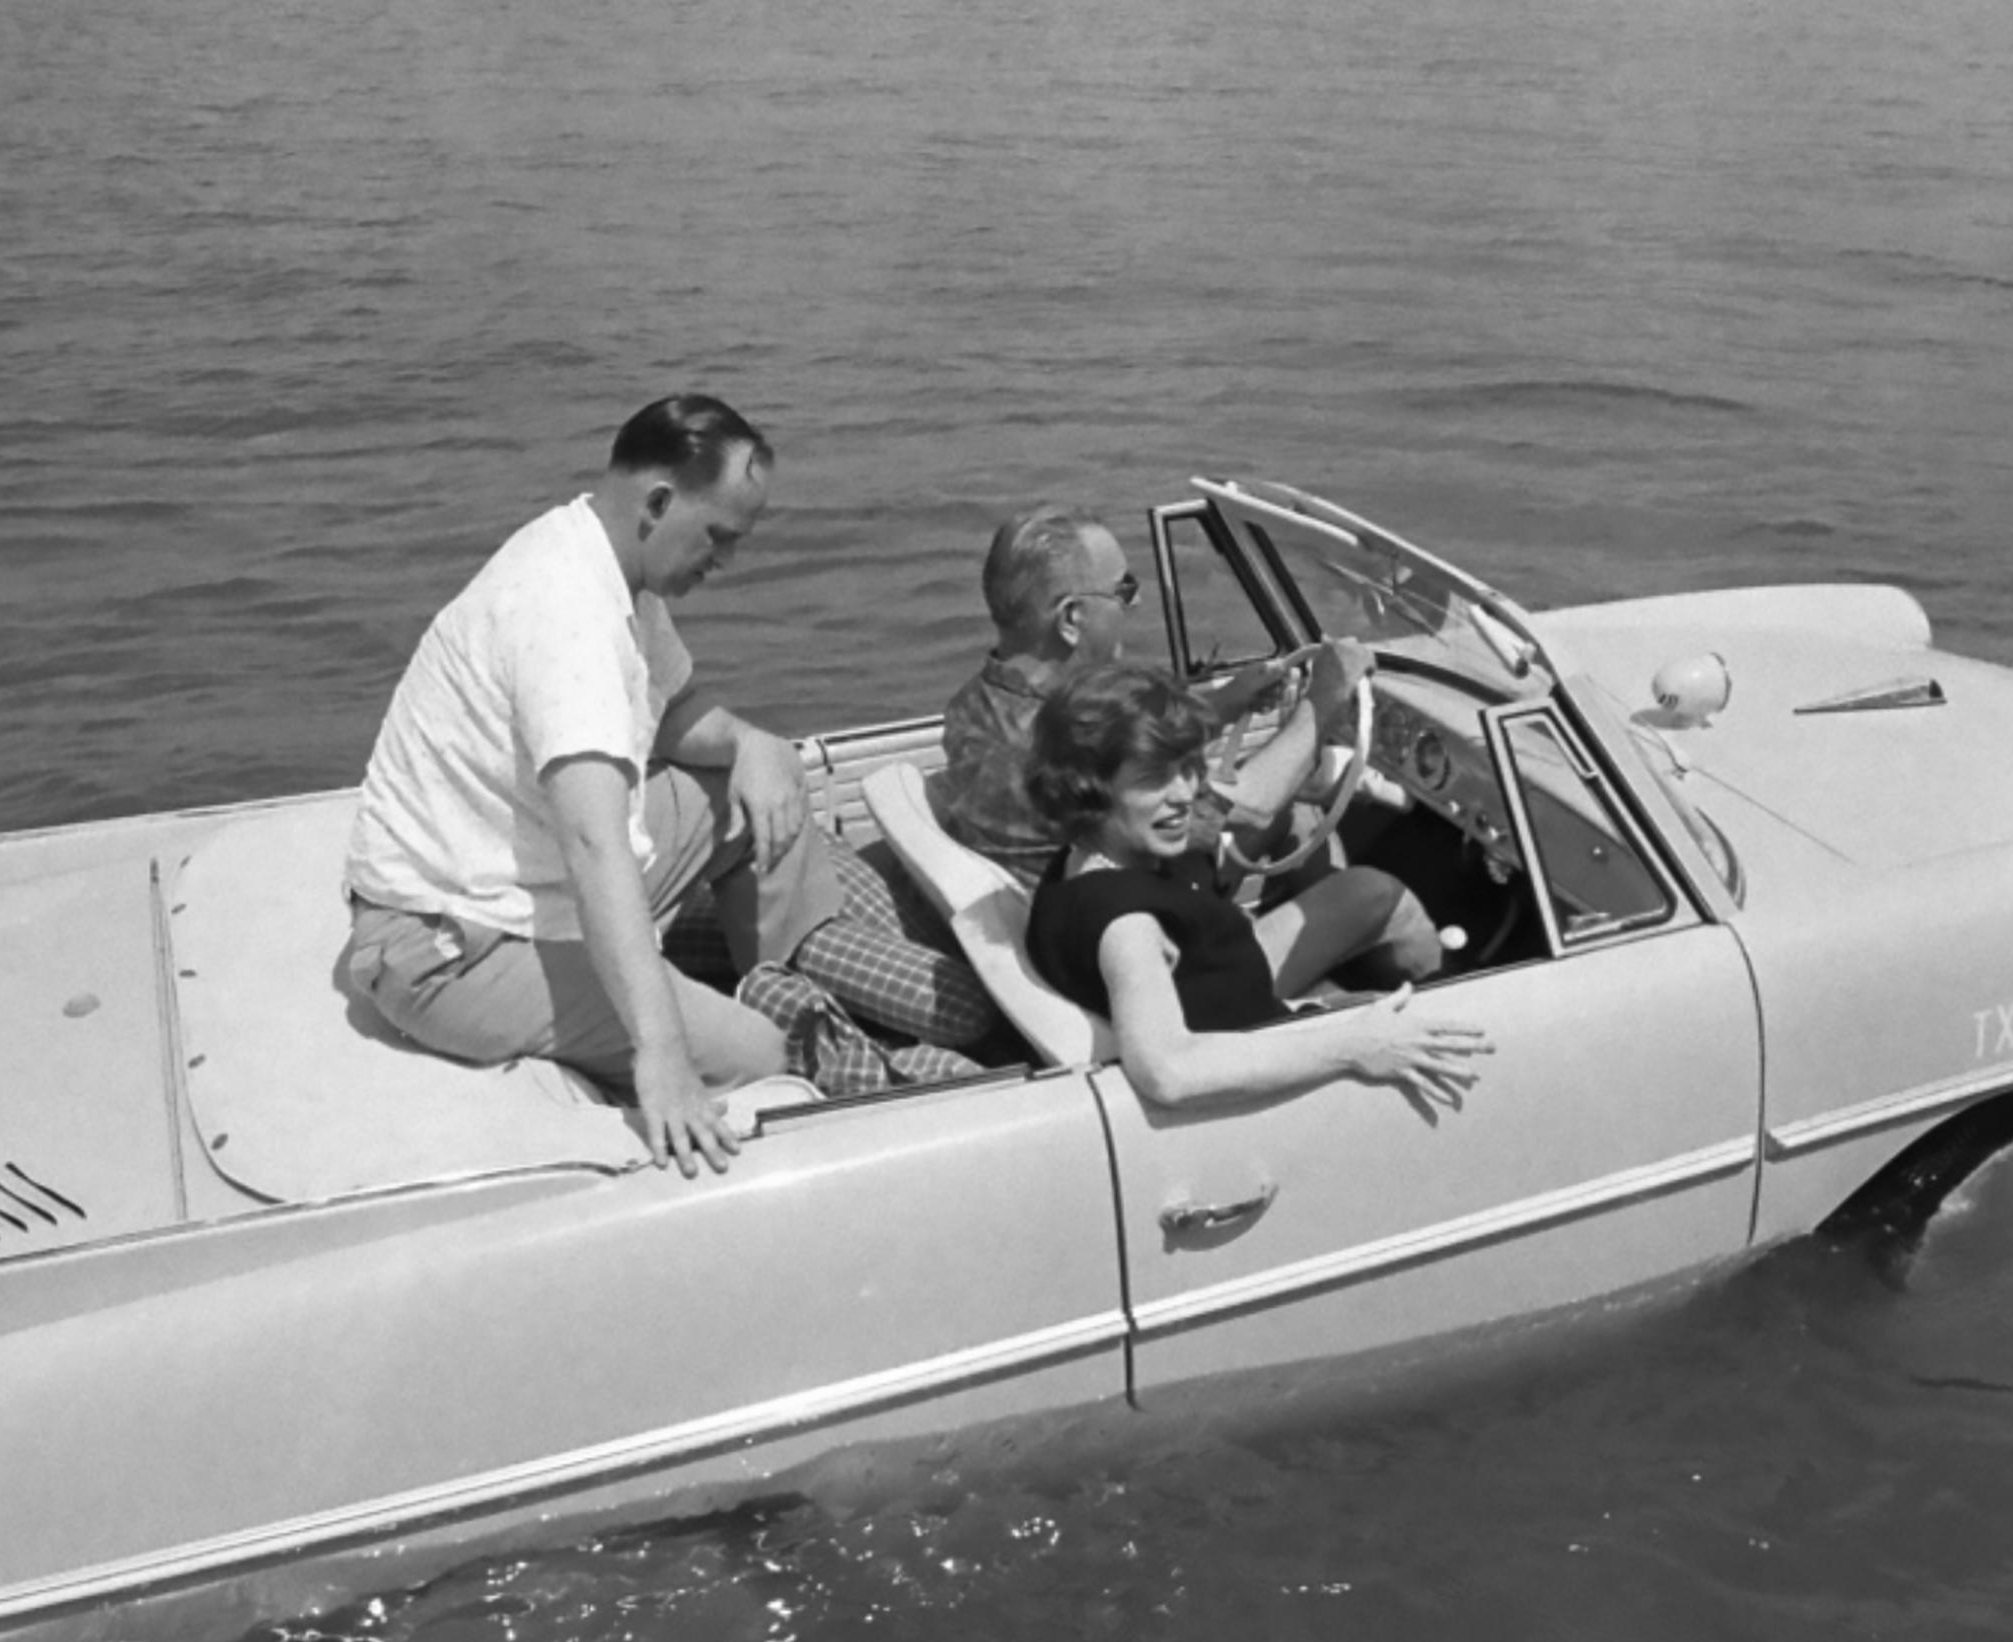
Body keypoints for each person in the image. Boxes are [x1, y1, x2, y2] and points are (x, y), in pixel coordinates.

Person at [341, 394, 960, 1173]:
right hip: (451, 946)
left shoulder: (609, 561)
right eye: (720, 536)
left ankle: (797, 974)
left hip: (519, 872)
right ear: (660, 502)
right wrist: (661, 1051)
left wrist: (751, 741)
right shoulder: (566, 611)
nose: (727, 561)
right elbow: (595, 843)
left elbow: (666, 715)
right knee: (765, 1052)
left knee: (757, 792)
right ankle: (780, 1040)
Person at [1023, 664, 1486, 1113]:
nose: (1185, 793)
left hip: (1226, 990)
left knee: (1371, 891)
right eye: (1154, 779)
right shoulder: (1129, 929)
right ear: (1090, 789)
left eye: (1188, 767)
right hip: (1264, 1046)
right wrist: (1354, 1045)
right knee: (1478, 1033)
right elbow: (1168, 1071)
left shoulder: (1080, 863)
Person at [931, 506, 1348, 878]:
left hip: (1069, 913)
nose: (1138, 601)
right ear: (1072, 618)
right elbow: (1249, 811)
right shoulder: (1068, 750)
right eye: (1123, 590)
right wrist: (1325, 698)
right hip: (1141, 921)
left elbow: (1133, 739)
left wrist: (1227, 702)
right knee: (1371, 890)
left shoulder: (973, 705)